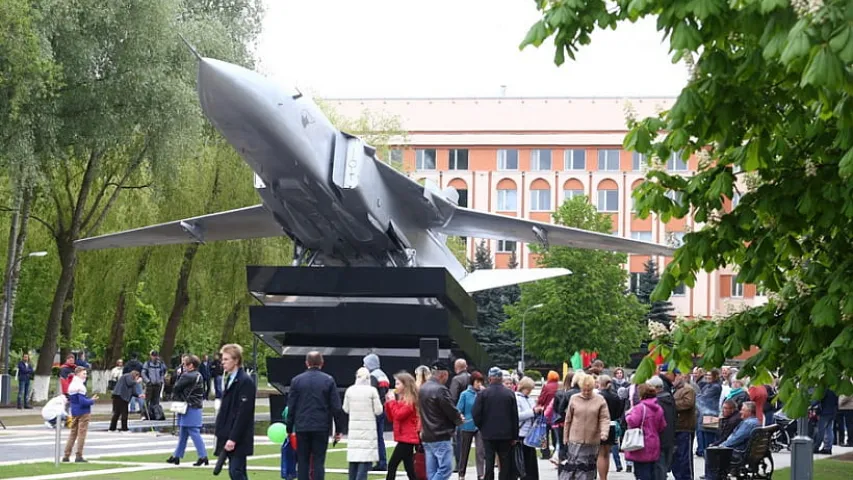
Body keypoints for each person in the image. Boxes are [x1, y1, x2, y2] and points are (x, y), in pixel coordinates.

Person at [286, 351, 343, 480]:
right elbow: (336, 407)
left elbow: (291, 407)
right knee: (318, 461)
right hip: (321, 426)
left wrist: (289, 428)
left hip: (302, 425)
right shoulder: (328, 380)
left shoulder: (296, 381)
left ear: (307, 363)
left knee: (302, 461)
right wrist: (339, 429)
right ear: (322, 363)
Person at [214, 343, 257, 480]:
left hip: (238, 435)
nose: (223, 362)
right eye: (223, 359)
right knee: (237, 471)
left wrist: (233, 438)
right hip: (229, 431)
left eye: (226, 359)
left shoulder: (245, 381)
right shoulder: (230, 379)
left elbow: (243, 412)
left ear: (236, 360)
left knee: (236, 472)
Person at [418, 361, 463, 480]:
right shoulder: (440, 390)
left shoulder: (423, 388)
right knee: (445, 469)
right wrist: (459, 419)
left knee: (432, 470)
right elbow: (450, 410)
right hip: (440, 434)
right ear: (443, 375)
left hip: (427, 434)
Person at [561, 373, 609, 480]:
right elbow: (568, 419)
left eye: (589, 390)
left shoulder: (600, 400)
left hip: (592, 441)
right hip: (575, 439)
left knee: (587, 468)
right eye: (584, 390)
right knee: (574, 467)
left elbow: (604, 418)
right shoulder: (574, 398)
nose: (586, 392)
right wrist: (565, 437)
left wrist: (604, 432)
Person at [473, 367, 518, 480]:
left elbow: (475, 413)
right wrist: (515, 435)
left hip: (488, 434)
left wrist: (482, 427)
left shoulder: (483, 394)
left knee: (489, 461)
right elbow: (514, 416)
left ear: (489, 378)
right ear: (501, 378)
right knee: (504, 463)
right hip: (506, 434)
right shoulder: (509, 394)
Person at [167, 355, 208, 466]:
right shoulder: (198, 375)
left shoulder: (187, 376)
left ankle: (203, 455)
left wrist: (180, 375)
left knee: (193, 432)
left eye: (185, 364)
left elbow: (176, 387)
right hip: (195, 405)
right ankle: (177, 456)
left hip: (188, 406)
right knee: (184, 432)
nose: (183, 366)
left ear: (191, 365)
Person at [344, 367, 384, 480]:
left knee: (353, 461)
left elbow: (345, 409)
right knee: (365, 461)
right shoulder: (372, 391)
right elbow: (378, 410)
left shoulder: (350, 390)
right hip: (368, 429)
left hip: (354, 429)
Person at [624, 384, 667, 480]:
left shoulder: (640, 408)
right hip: (654, 441)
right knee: (651, 470)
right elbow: (662, 426)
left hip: (642, 443)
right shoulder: (658, 408)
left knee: (641, 471)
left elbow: (633, 422)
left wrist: (627, 415)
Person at [385, 372, 421, 480]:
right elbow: (392, 418)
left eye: (398, 384)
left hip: (407, 439)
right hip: (403, 437)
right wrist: (388, 404)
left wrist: (392, 402)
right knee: (409, 469)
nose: (395, 387)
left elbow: (399, 415)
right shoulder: (401, 401)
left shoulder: (410, 401)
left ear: (405, 386)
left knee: (392, 465)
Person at [64, 367, 98, 462]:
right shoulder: (80, 386)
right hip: (83, 412)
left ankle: (66, 455)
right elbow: (83, 402)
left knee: (72, 433)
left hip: (74, 411)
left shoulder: (71, 385)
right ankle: (79, 455)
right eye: (84, 373)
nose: (85, 376)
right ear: (78, 373)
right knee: (81, 434)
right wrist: (92, 400)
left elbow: (75, 400)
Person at [456, 371, 485, 480]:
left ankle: (480, 474)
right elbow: (459, 409)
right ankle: (461, 473)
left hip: (479, 426)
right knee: (465, 451)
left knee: (480, 451)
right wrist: (461, 417)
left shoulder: (483, 394)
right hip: (467, 426)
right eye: (477, 382)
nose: (479, 384)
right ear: (472, 382)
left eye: (481, 382)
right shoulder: (465, 394)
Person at [363, 353, 390, 471]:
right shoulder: (383, 375)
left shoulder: (372, 376)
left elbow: (370, 394)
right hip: (382, 409)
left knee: (371, 438)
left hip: (373, 410)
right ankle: (382, 462)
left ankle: (370, 463)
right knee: (379, 437)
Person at [515, 376, 542, 480]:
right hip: (521, 433)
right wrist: (532, 412)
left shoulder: (530, 399)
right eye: (528, 389)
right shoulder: (517, 398)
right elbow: (518, 416)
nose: (530, 391)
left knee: (531, 464)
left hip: (531, 434)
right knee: (523, 463)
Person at [597, 375, 624, 477]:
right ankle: (605, 476)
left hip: (601, 426)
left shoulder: (599, 396)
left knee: (600, 454)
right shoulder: (615, 396)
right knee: (606, 454)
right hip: (612, 425)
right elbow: (619, 412)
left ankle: (602, 477)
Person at [672, 372, 696, 480]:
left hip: (685, 427)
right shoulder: (674, 390)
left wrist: (671, 404)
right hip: (676, 427)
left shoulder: (688, 389)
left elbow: (688, 403)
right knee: (676, 458)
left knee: (684, 458)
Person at [141, 350, 167, 417]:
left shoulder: (160, 364)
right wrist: (147, 381)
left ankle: (154, 414)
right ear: (151, 356)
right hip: (150, 385)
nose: (154, 357)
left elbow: (163, 372)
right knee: (147, 400)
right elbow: (143, 373)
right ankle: (144, 414)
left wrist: (161, 380)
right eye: (153, 356)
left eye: (156, 355)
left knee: (156, 400)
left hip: (158, 385)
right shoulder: (147, 363)